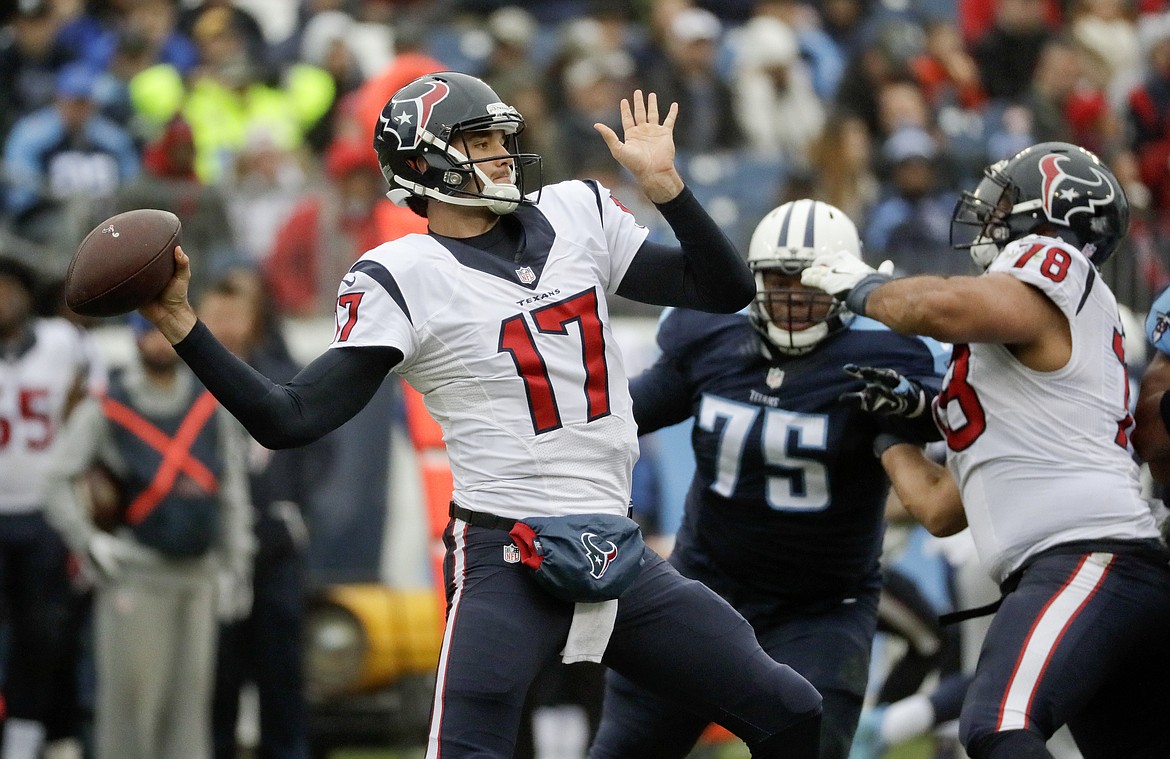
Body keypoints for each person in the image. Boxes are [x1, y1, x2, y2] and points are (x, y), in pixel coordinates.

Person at [138, 71, 824, 759]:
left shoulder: (575, 212)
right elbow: (287, 417)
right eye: (478, 139)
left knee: (789, 708)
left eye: (502, 135)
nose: (502, 151)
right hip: (506, 555)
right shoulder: (402, 275)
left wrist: (667, 188)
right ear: (422, 164)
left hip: (617, 545)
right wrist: (181, 322)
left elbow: (724, 287)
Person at [802, 141, 1170, 759]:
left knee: (996, 726)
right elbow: (943, 507)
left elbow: (938, 306)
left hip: (1089, 558)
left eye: (1006, 200)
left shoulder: (1052, 265)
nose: (990, 214)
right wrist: (889, 432)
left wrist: (861, 287)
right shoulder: (1011, 359)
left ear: (1052, 215)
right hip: (1091, 568)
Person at [587, 199, 946, 759]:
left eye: (811, 281)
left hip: (819, 608)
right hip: (702, 589)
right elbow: (625, 416)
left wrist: (915, 405)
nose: (792, 296)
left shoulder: (885, 349)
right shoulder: (710, 332)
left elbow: (940, 421)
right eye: (777, 280)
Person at [42, 313, 254, 759]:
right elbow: (56, 479)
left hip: (198, 575)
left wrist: (237, 564)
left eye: (164, 331)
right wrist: (88, 541)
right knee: (130, 707)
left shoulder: (209, 404)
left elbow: (232, 491)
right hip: (137, 573)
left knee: (190, 710)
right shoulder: (108, 405)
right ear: (136, 337)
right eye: (149, 331)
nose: (158, 342)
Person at [199, 269, 329, 759]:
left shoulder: (286, 374)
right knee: (217, 673)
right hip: (214, 552)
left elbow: (318, 447)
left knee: (281, 672)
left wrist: (295, 509)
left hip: (275, 545)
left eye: (237, 315)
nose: (228, 326)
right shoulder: (192, 382)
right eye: (217, 316)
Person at [0, 255, 102, 759]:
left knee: (46, 633)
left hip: (46, 515)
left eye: (8, 288)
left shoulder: (65, 344)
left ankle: (31, 738)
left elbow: (92, 411)